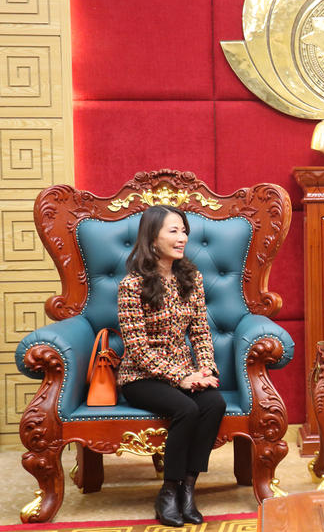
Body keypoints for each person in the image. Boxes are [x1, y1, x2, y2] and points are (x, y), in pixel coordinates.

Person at [117, 205, 225, 527]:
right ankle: (168, 492)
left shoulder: (191, 278)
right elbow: (136, 348)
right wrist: (180, 377)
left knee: (214, 403)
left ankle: (188, 490)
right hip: (141, 376)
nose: (183, 238)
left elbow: (202, 333)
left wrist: (205, 369)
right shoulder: (131, 286)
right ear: (152, 239)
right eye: (173, 231)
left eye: (184, 230)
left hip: (186, 374)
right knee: (187, 409)